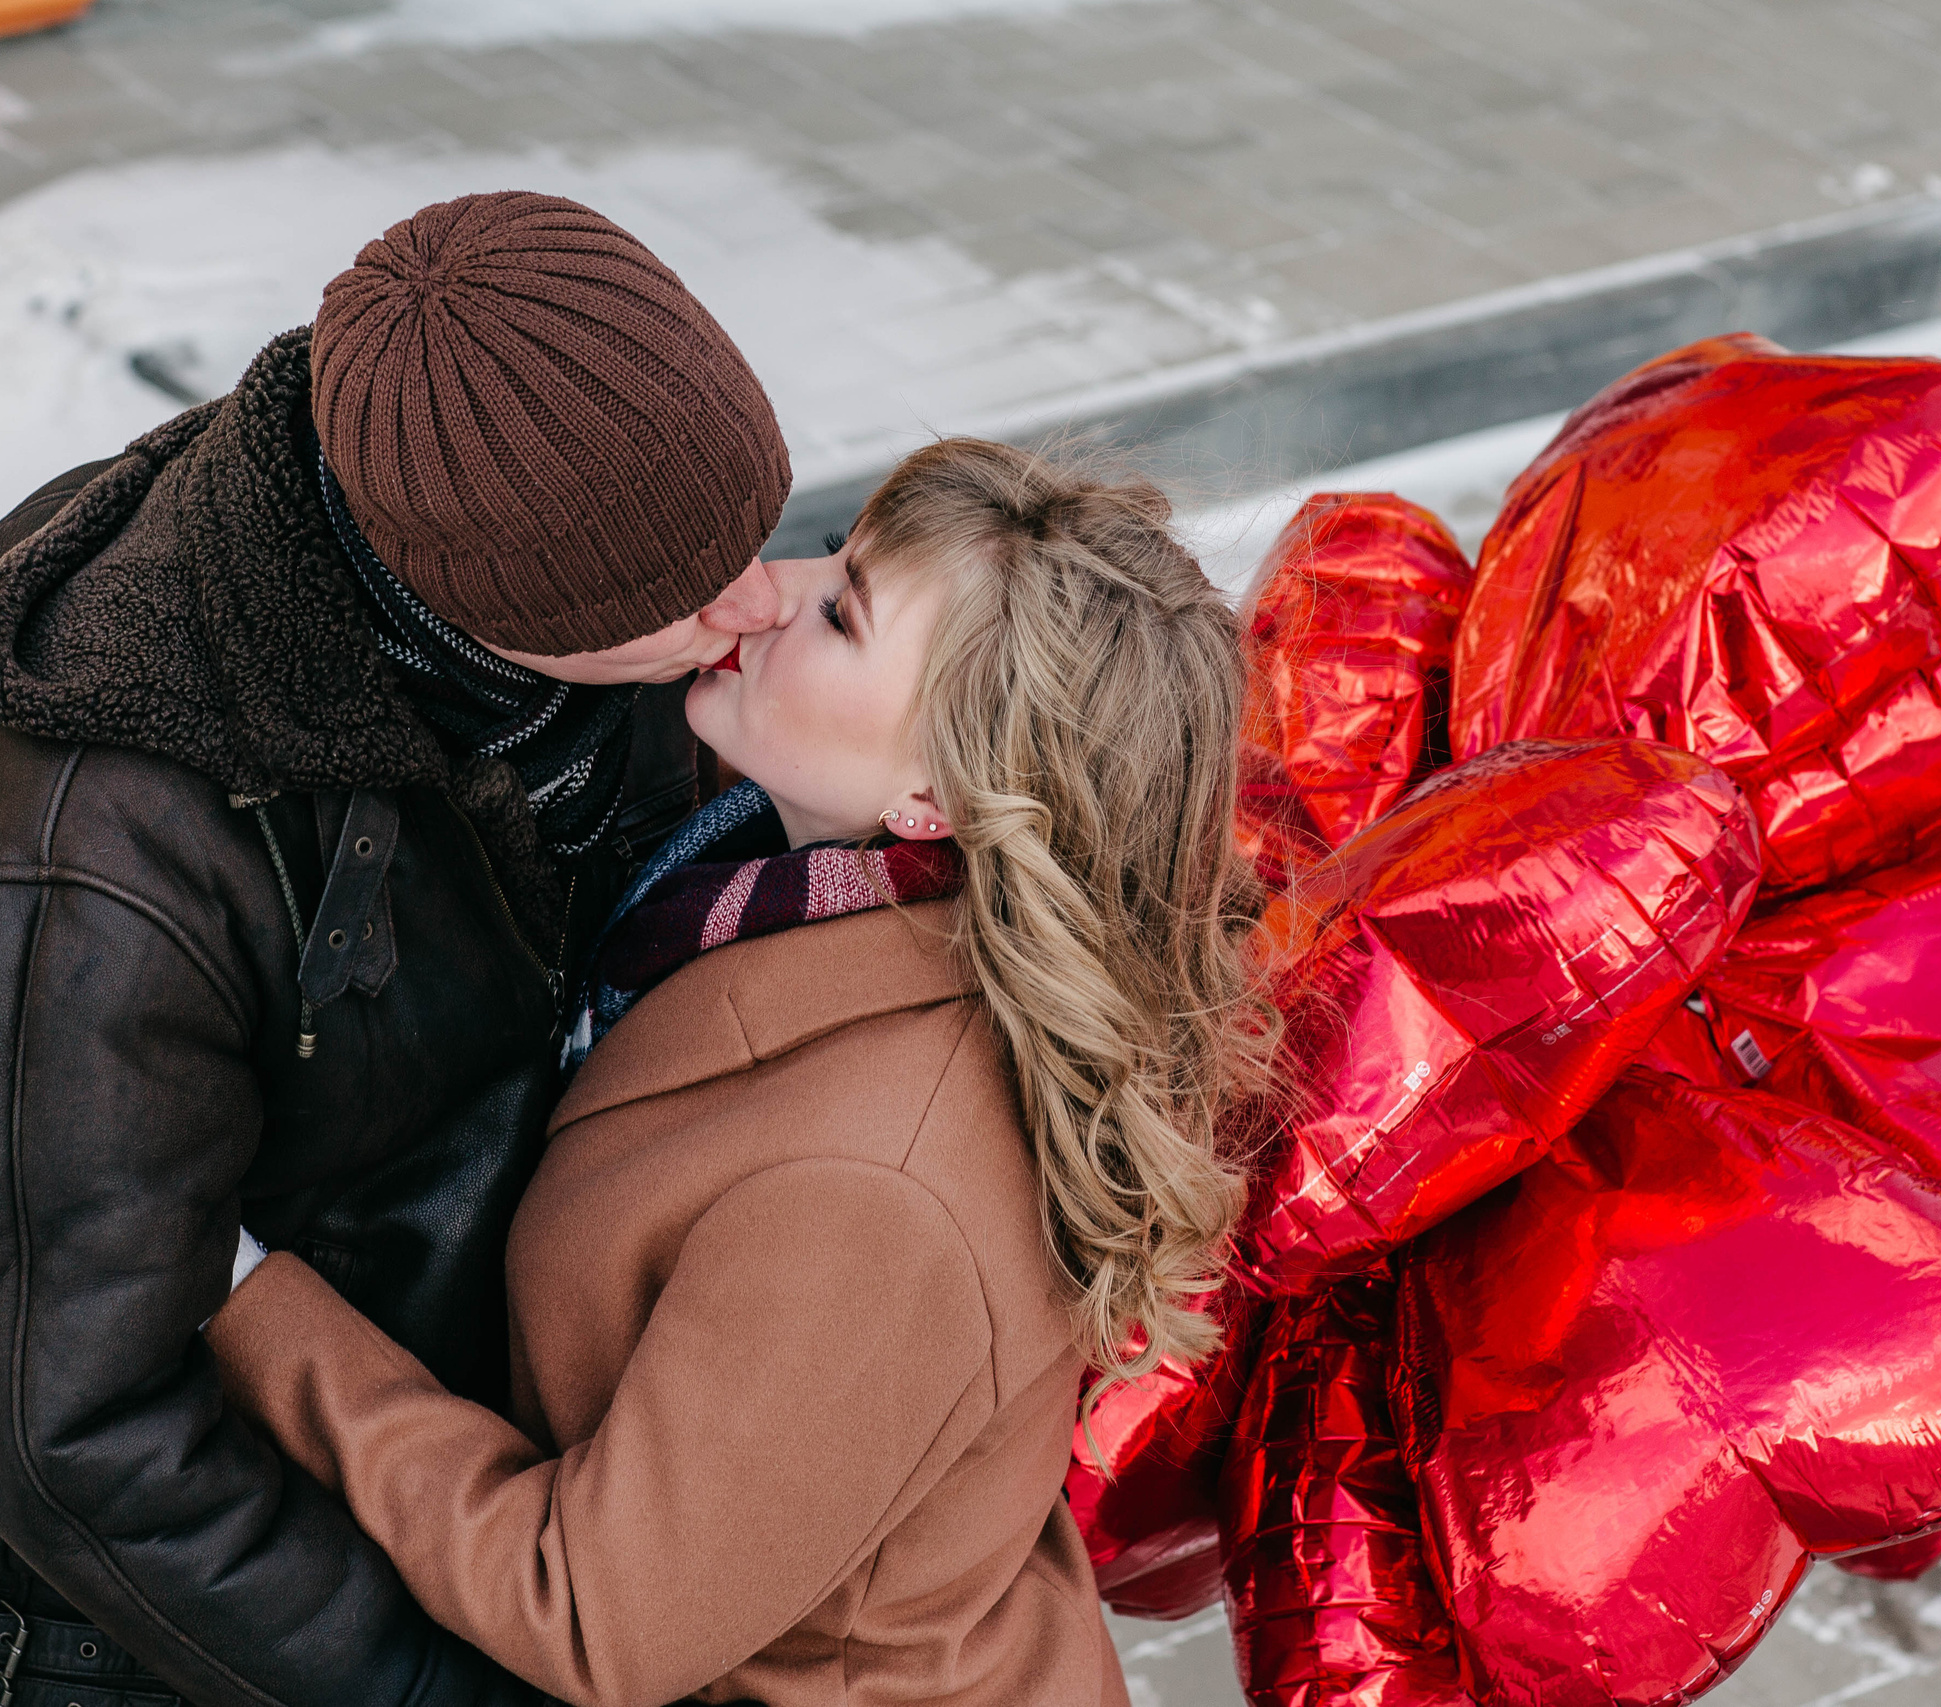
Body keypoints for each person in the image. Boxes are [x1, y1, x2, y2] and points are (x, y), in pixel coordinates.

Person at [0, 191, 792, 1707]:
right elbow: (71, 1430)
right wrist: (438, 1685)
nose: (755, 604)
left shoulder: (543, 592)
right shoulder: (84, 870)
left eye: (753, 532)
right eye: (683, 590)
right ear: (477, 594)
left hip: (470, 1516)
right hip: (157, 1642)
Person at [201, 438, 1271, 1707]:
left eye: (841, 612)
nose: (767, 589)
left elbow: (597, 1615)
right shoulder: (773, 882)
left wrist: (247, 1294)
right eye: (834, 545)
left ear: (940, 791)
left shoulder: (878, 1192)